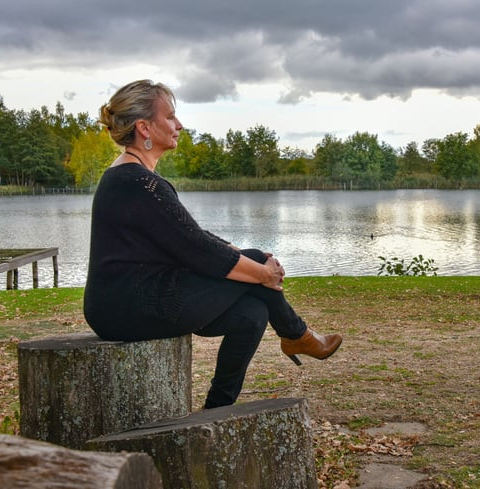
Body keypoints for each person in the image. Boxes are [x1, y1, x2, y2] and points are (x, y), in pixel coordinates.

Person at [83, 79, 341, 409]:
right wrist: (262, 271)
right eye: (171, 117)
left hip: (132, 301)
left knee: (251, 313)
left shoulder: (133, 178)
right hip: (127, 307)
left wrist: (239, 254)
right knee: (254, 262)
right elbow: (197, 250)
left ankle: (218, 409)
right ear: (144, 127)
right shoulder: (137, 183)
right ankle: (296, 335)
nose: (179, 125)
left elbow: (186, 238)